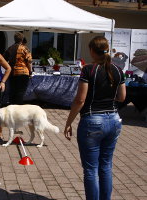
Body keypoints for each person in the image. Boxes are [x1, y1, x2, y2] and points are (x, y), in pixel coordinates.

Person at [64, 36, 126, 200]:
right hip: (114, 120)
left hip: (92, 121)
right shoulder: (118, 71)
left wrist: (69, 122)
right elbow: (122, 97)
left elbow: (80, 100)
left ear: (92, 50)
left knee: (91, 169)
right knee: (106, 166)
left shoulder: (88, 70)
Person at [4, 32, 32, 105]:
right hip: (23, 73)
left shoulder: (10, 48)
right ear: (22, 39)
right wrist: (30, 71)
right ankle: (19, 108)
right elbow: (29, 61)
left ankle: (12, 107)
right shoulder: (24, 48)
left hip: (12, 73)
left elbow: (4, 60)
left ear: (15, 39)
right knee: (20, 92)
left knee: (13, 91)